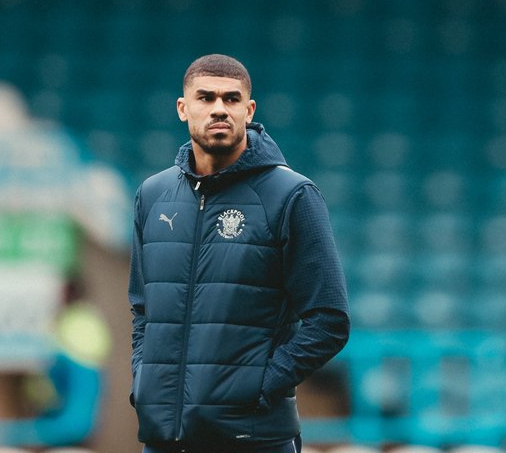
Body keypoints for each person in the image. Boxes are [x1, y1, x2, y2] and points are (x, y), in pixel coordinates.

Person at [128, 54, 350, 453]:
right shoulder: (153, 195)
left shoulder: (292, 196)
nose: (218, 109)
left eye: (231, 99)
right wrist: (145, 382)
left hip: (253, 439)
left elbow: (329, 320)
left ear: (249, 111)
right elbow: (144, 310)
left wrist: (257, 387)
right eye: (205, 97)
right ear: (183, 108)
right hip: (163, 439)